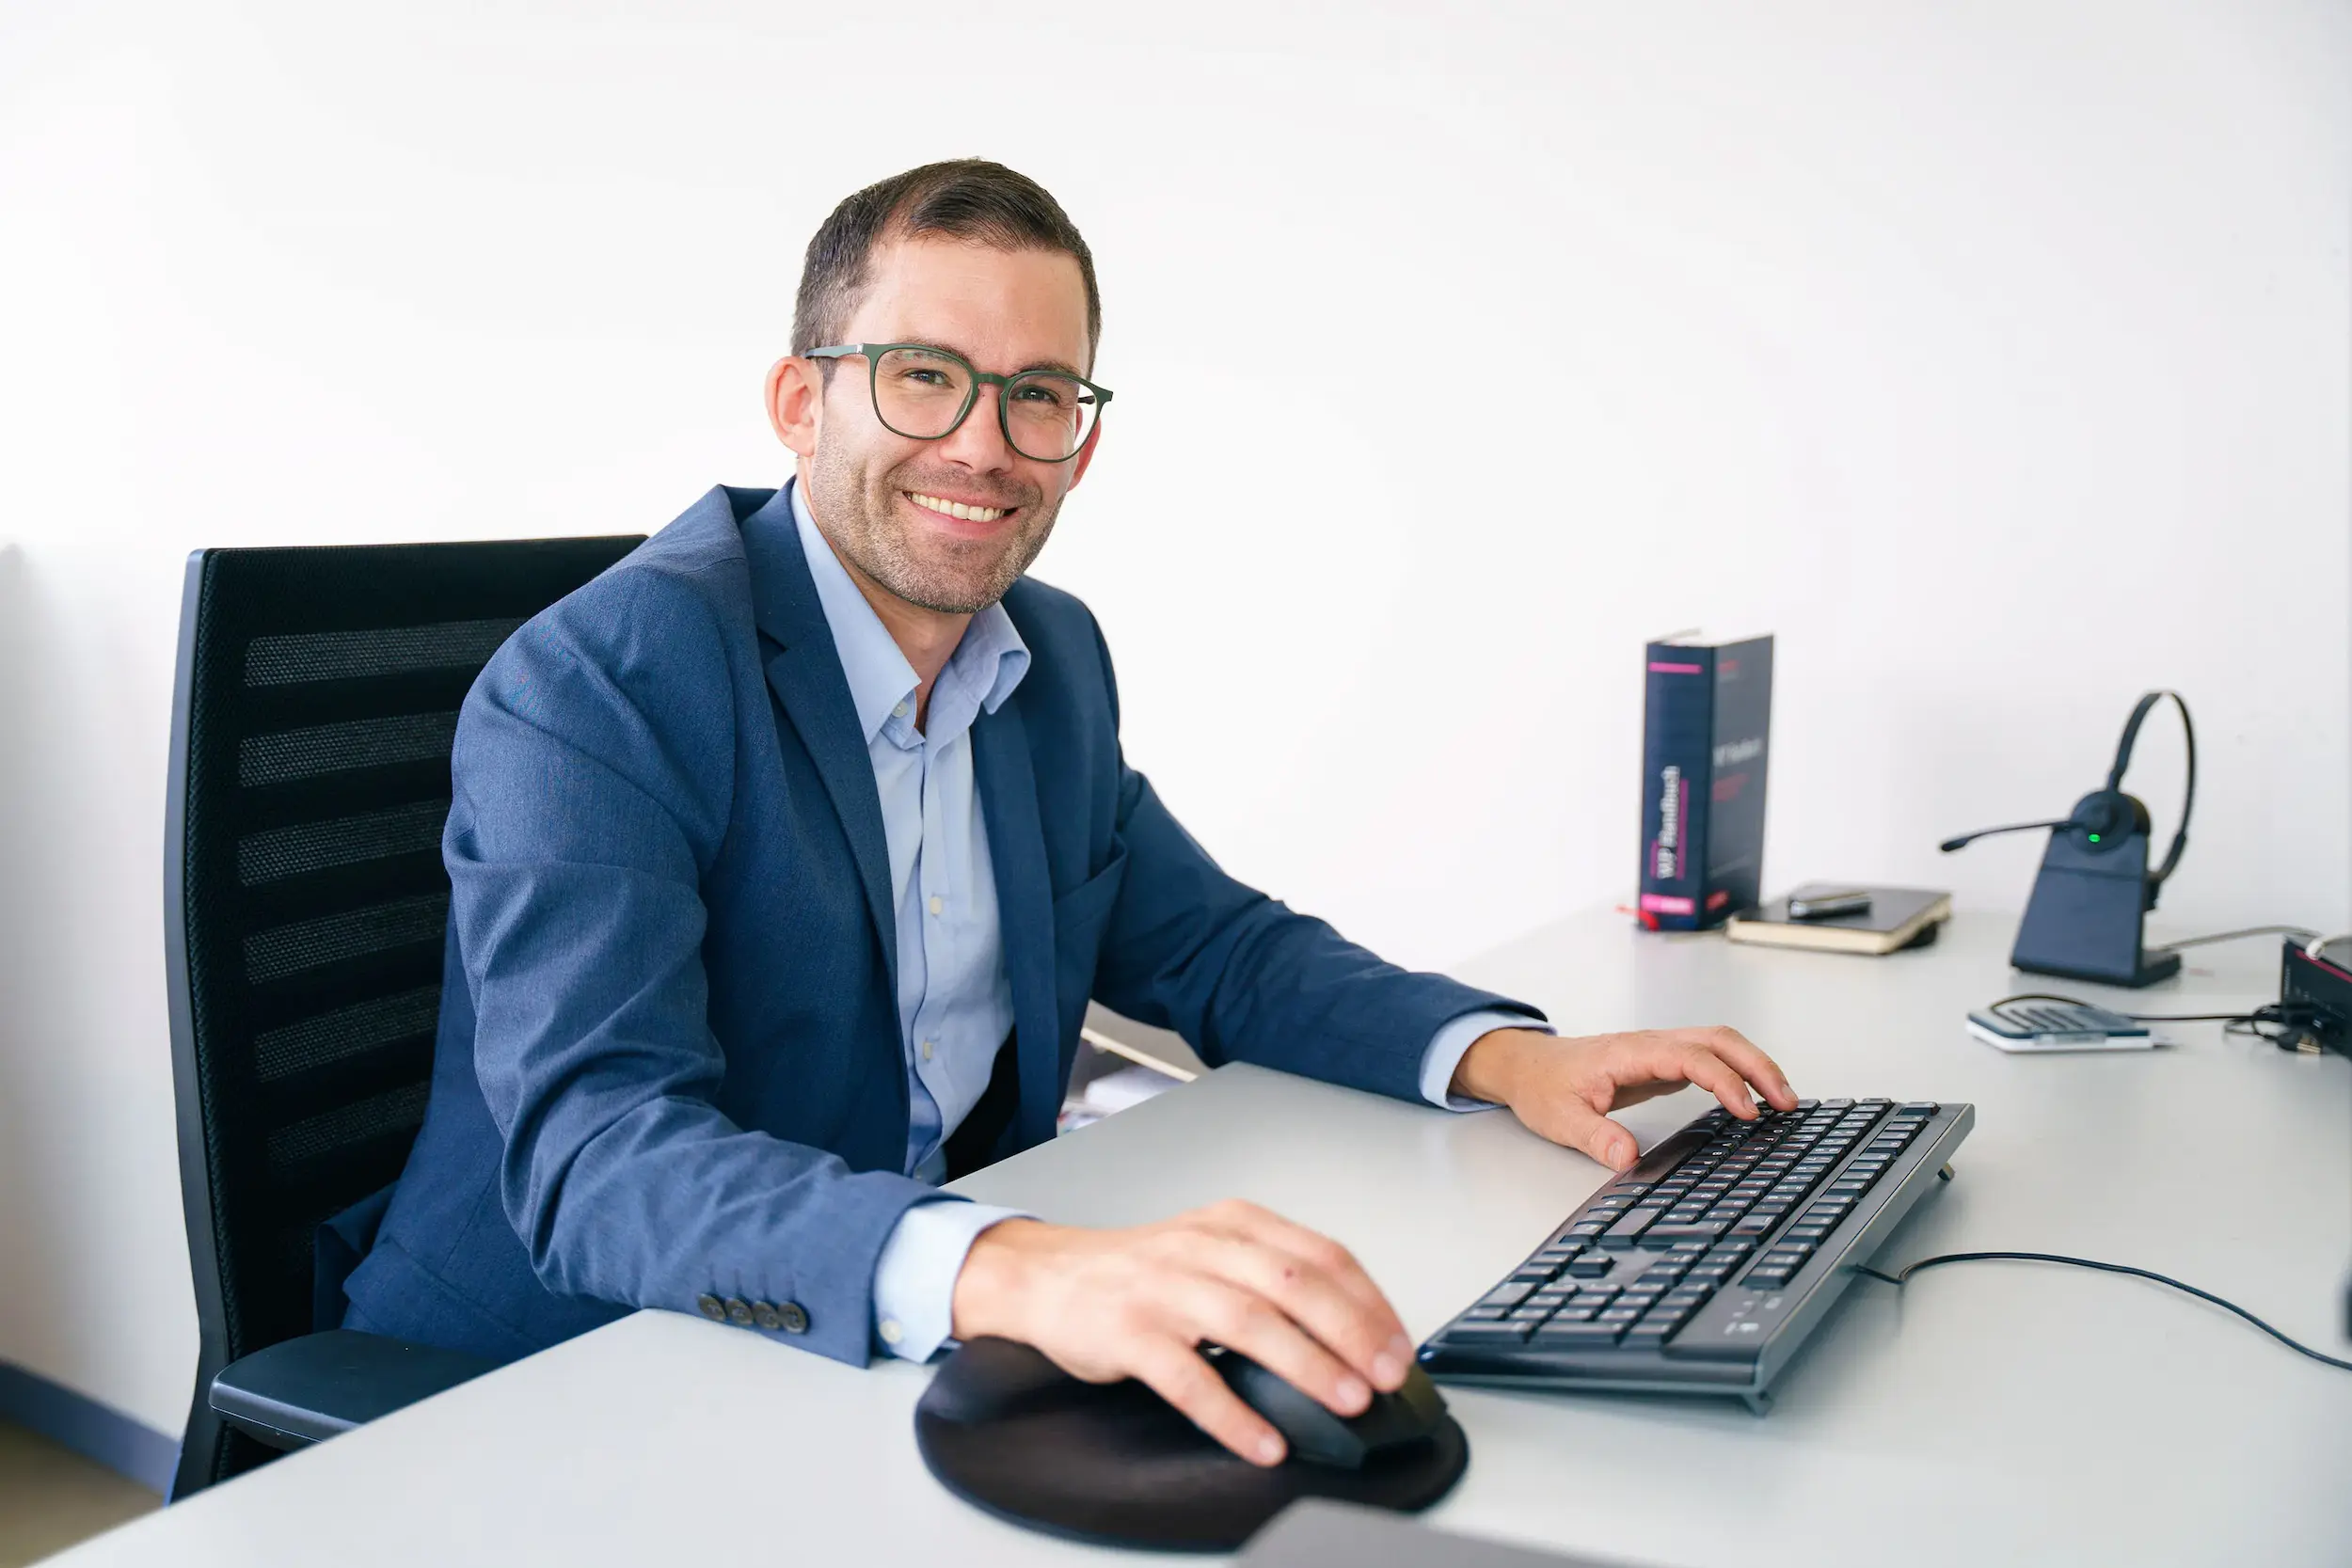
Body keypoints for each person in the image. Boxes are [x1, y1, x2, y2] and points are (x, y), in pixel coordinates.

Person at [338, 158, 1796, 1466]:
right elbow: (600, 1154)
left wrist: (1500, 1054)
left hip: (881, 1340)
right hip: (558, 1369)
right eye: (923, 373)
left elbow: (1216, 950)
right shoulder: (598, 683)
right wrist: (1014, 1265)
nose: (984, 443)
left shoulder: (1049, 658)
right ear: (803, 400)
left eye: (1038, 393)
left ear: (1080, 442)